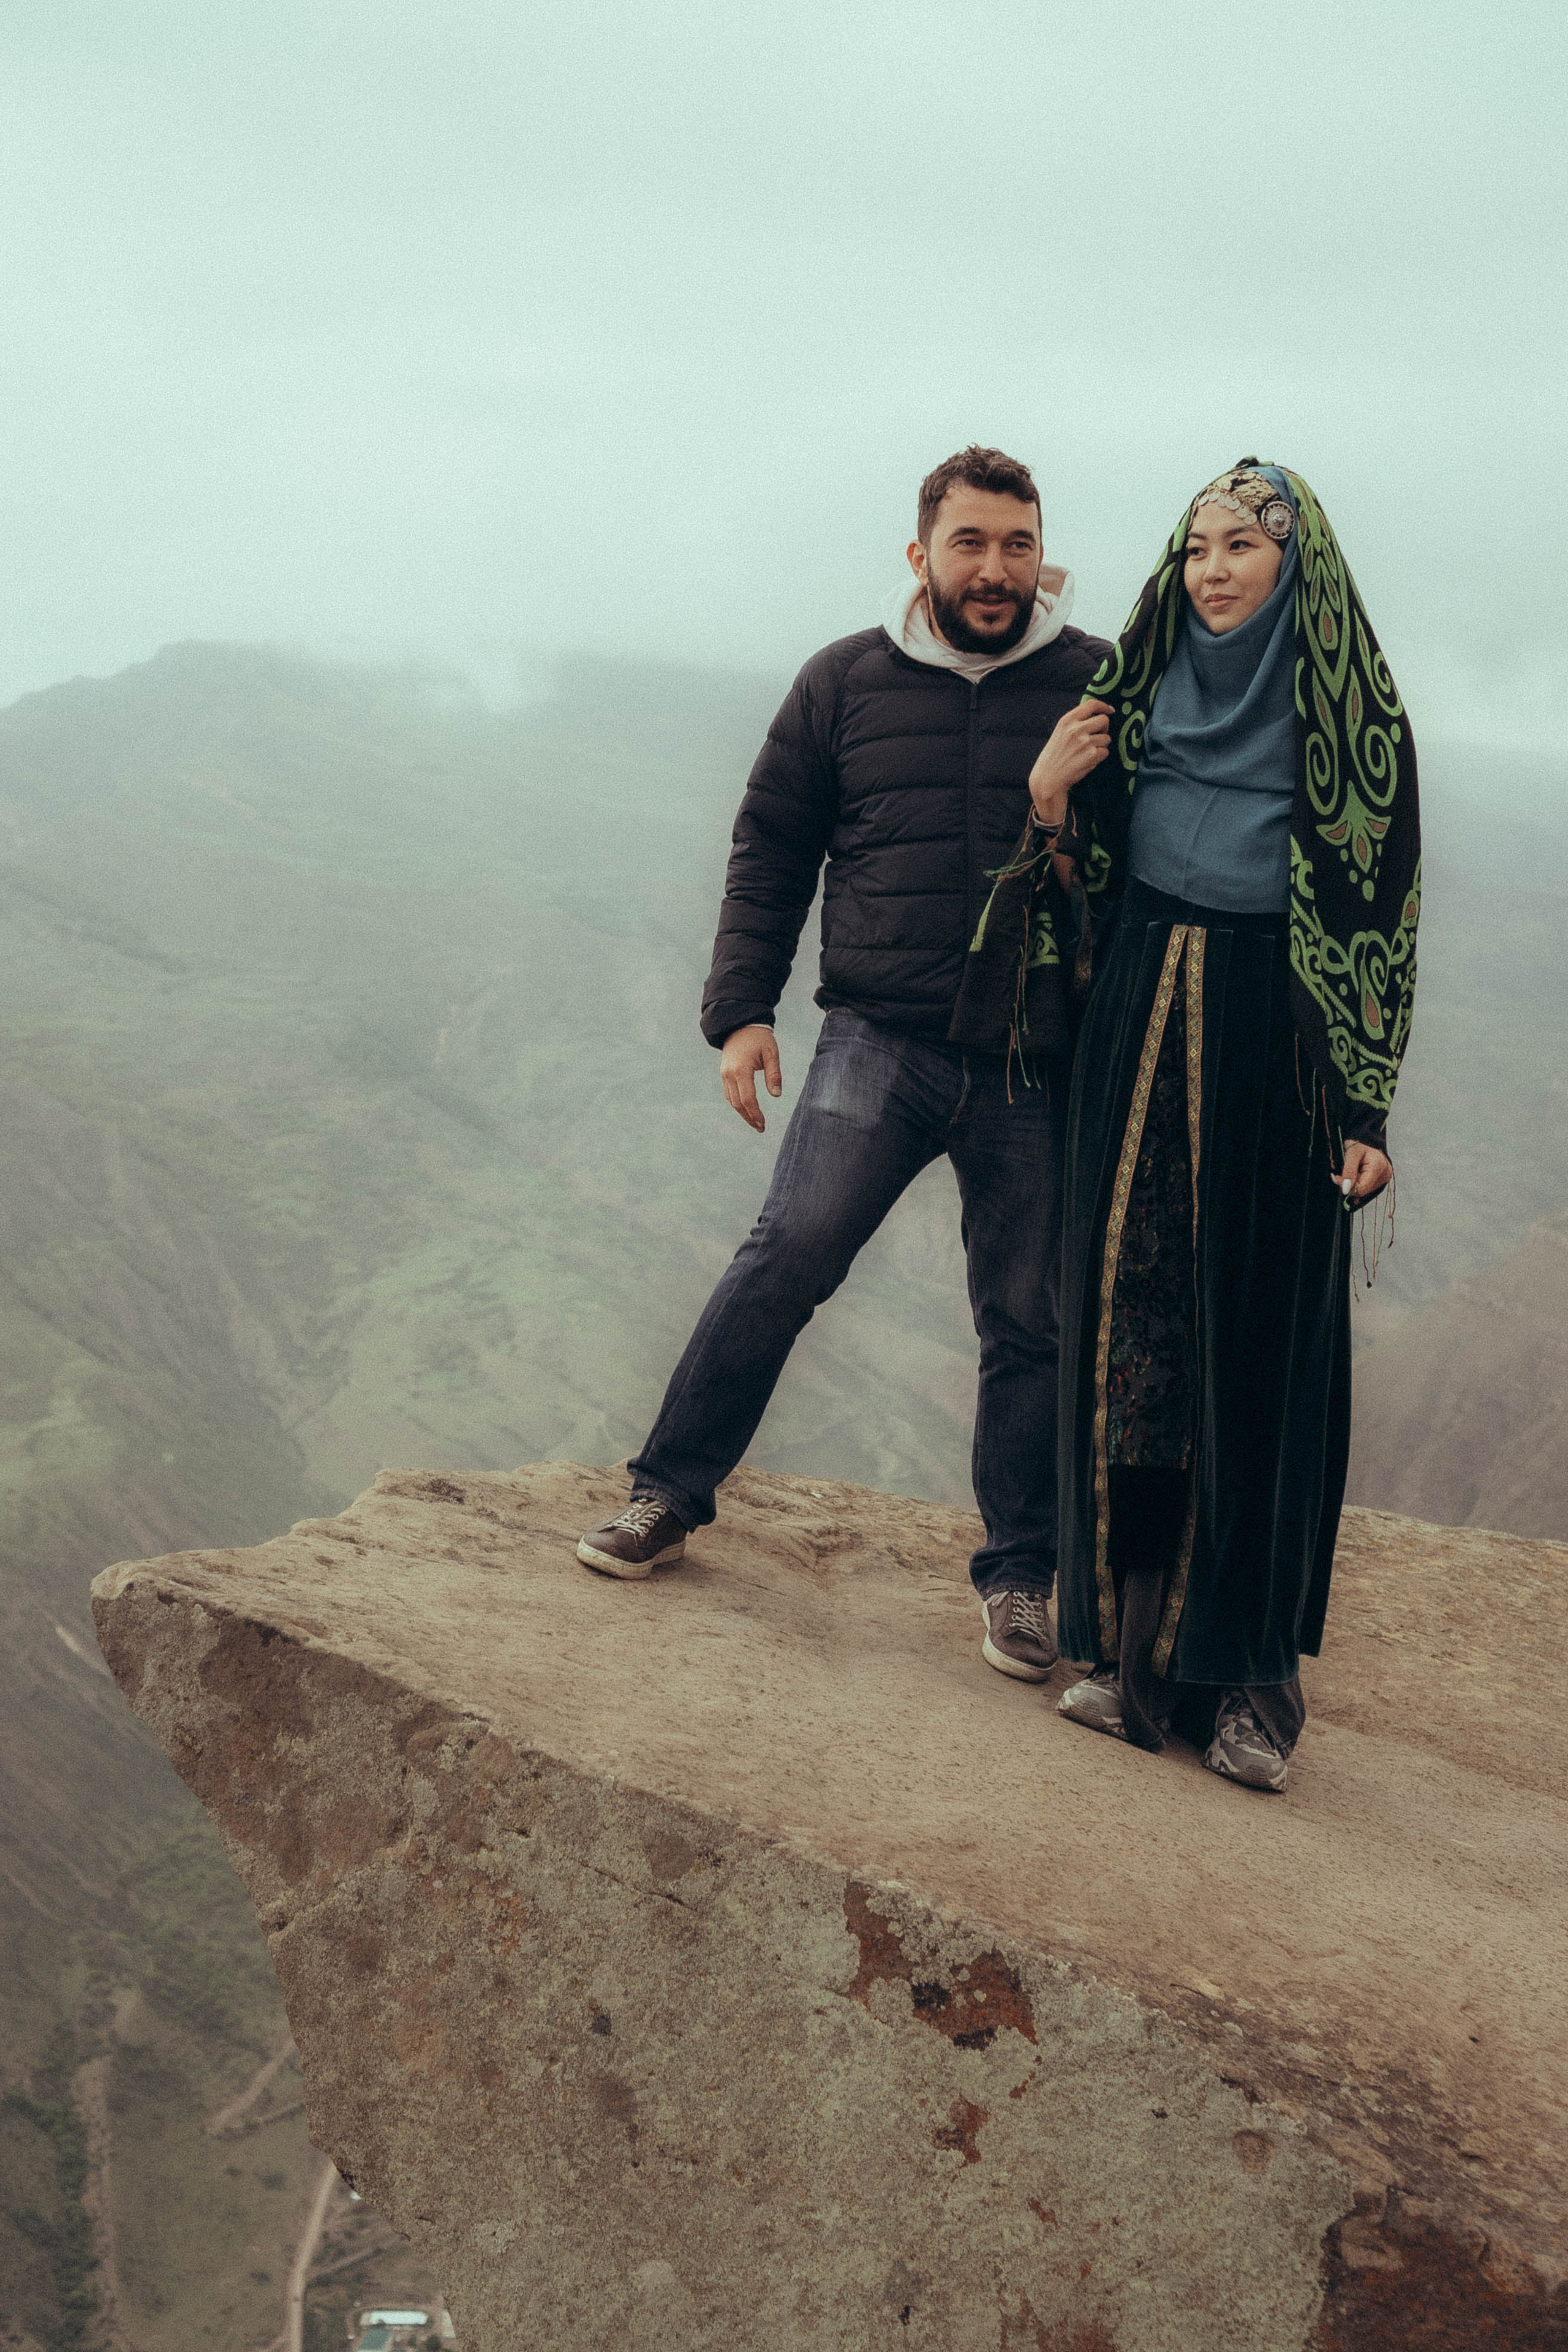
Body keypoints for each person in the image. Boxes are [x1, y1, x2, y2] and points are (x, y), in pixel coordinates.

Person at [576, 446, 1110, 1681]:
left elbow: (1132, 862)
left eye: (1016, 547)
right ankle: (667, 1492)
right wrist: (740, 1012)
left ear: (1043, 558)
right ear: (919, 556)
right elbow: (770, 847)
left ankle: (1019, 1576)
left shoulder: (1094, 688)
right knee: (785, 1257)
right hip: (881, 1034)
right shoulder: (843, 682)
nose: (994, 570)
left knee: (1026, 1321)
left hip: (1035, 1060)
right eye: (969, 544)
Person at [958, 460, 1420, 1790]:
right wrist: (1049, 797)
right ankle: (1125, 1652)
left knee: (1254, 1350)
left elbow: (1378, 919)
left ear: (1296, 566)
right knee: (1130, 1331)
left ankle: (1244, 1687)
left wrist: (1364, 1099)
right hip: (1135, 1033)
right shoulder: (1137, 696)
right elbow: (1074, 884)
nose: (1213, 569)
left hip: (1272, 1048)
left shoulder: (1351, 715)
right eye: (1196, 545)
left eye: (1241, 546)